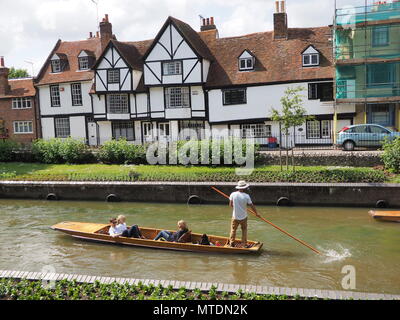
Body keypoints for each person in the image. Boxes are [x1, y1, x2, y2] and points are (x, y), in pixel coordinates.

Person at [228, 181, 260, 248]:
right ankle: (244, 243)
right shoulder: (246, 196)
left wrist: (237, 206)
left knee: (233, 230)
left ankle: (231, 243)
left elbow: (230, 205)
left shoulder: (233, 194)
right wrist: (256, 213)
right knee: (244, 230)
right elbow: (251, 205)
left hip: (235, 216)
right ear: (244, 188)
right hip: (243, 217)